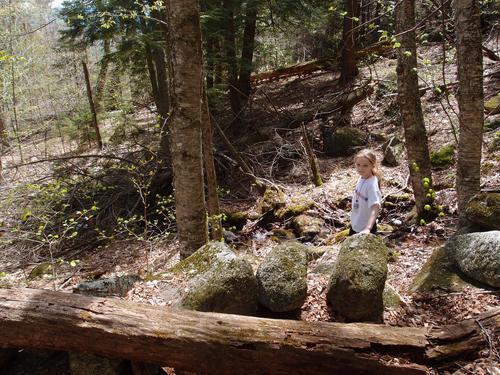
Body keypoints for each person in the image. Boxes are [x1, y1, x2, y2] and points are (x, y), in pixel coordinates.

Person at [349, 149, 382, 235]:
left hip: (365, 229)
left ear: (372, 165)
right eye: (358, 165)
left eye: (365, 165)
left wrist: (368, 228)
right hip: (355, 224)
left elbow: (375, 208)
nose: (360, 168)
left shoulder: (371, 185)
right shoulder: (362, 177)